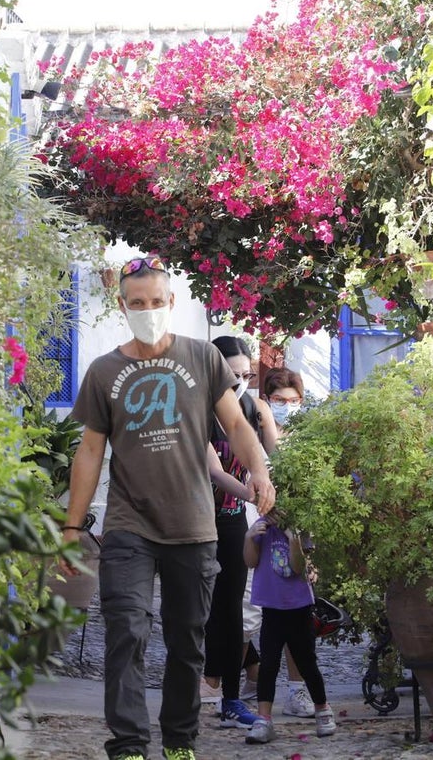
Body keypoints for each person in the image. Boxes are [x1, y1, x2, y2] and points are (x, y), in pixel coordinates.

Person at [60, 255, 277, 760]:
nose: (148, 310)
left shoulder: (202, 357)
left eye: (156, 301)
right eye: (137, 303)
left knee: (187, 641)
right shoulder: (104, 370)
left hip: (193, 525)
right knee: (126, 630)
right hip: (128, 524)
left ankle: (180, 740)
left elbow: (236, 425)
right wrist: (72, 528)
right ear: (122, 306)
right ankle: (129, 744)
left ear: (172, 302)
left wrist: (260, 471)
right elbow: (89, 451)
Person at [201, 336, 276, 730]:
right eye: (232, 375)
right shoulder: (197, 410)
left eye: (246, 375)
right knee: (199, 608)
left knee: (231, 610)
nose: (240, 383)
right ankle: (200, 682)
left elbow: (260, 459)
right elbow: (215, 471)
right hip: (196, 520)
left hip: (232, 520)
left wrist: (260, 484)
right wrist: (252, 492)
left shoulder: (247, 408)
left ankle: (229, 697)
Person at [242, 510, 336, 745]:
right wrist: (249, 537)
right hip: (271, 608)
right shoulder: (262, 527)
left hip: (298, 607)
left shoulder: (301, 528)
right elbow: (250, 561)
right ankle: (264, 719)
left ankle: (322, 708)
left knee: (307, 662)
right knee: (268, 664)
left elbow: (297, 566)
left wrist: (292, 537)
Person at [258, 366, 316, 718]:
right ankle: (253, 681)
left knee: (297, 615)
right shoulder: (257, 432)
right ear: (267, 400)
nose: (286, 406)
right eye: (279, 400)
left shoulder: (308, 436)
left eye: (293, 401)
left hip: (298, 530)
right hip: (262, 529)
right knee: (258, 615)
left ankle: (298, 690)